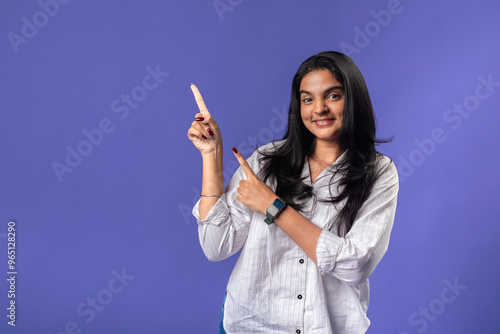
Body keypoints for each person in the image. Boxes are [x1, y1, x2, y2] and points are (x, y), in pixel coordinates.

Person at [187, 51, 399, 334]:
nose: (319, 108)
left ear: (353, 100)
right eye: (307, 99)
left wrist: (275, 208)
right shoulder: (266, 161)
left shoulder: (379, 172)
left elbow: (356, 264)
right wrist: (212, 156)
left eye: (333, 96)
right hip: (249, 325)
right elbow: (216, 246)